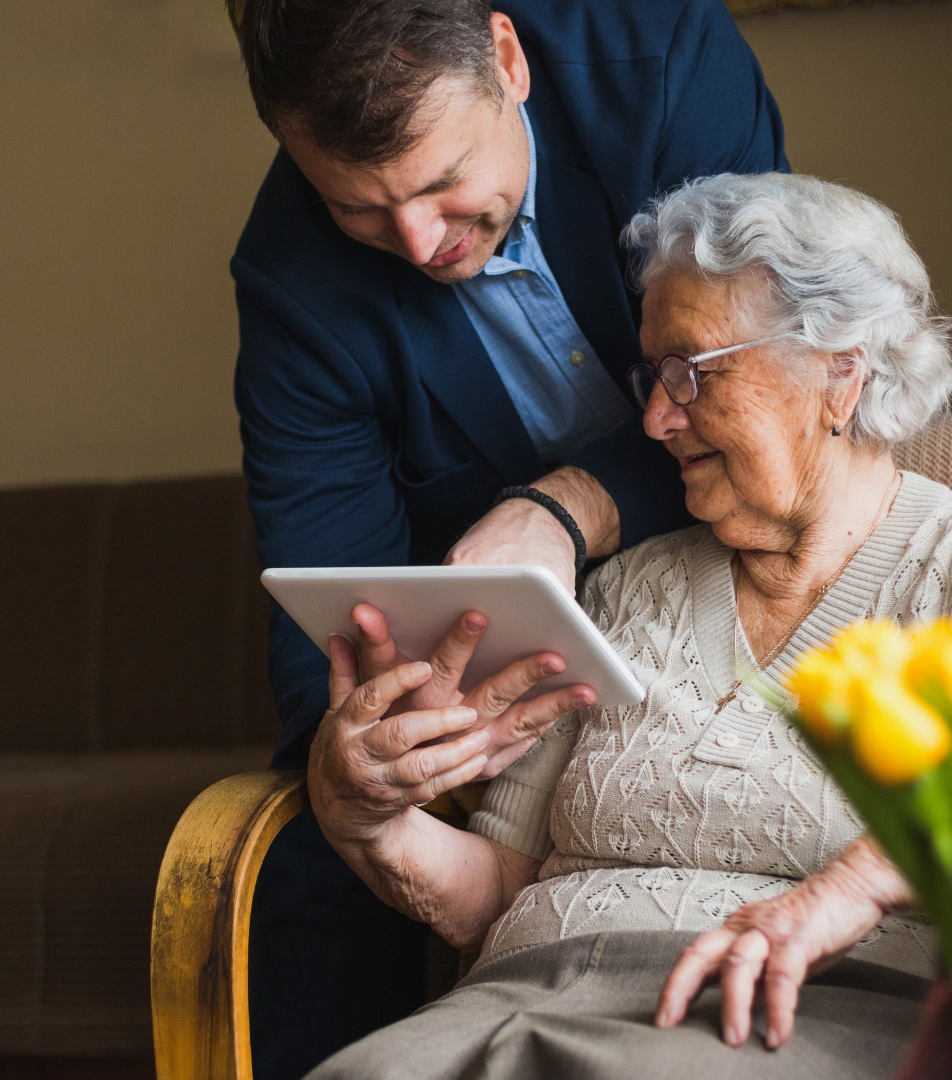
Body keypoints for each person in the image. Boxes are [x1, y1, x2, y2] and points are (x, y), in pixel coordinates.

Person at [300, 172, 952, 1078]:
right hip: (518, 1010)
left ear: (839, 371)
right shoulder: (623, 588)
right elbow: (500, 890)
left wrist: (853, 887)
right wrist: (367, 819)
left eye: (691, 371)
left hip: (812, 1023)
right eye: (653, 377)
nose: (655, 420)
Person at [226, 1, 788, 1073]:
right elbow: (325, 601)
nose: (420, 244)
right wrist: (363, 758)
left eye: (443, 183)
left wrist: (569, 506)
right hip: (504, 673)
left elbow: (763, 378)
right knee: (310, 861)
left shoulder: (662, 65)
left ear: (507, 57)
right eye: (359, 207)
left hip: (737, 556)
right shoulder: (290, 283)